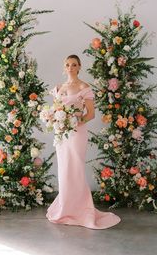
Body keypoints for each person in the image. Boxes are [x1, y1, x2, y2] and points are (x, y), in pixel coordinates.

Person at [46, 54, 121, 229]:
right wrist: (54, 119)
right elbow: (56, 110)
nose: (70, 68)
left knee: (76, 168)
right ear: (64, 67)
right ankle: (65, 207)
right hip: (61, 135)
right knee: (64, 169)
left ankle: (81, 209)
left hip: (77, 133)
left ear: (79, 67)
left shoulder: (83, 87)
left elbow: (91, 114)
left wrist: (73, 121)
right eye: (67, 65)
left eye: (74, 65)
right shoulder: (59, 87)